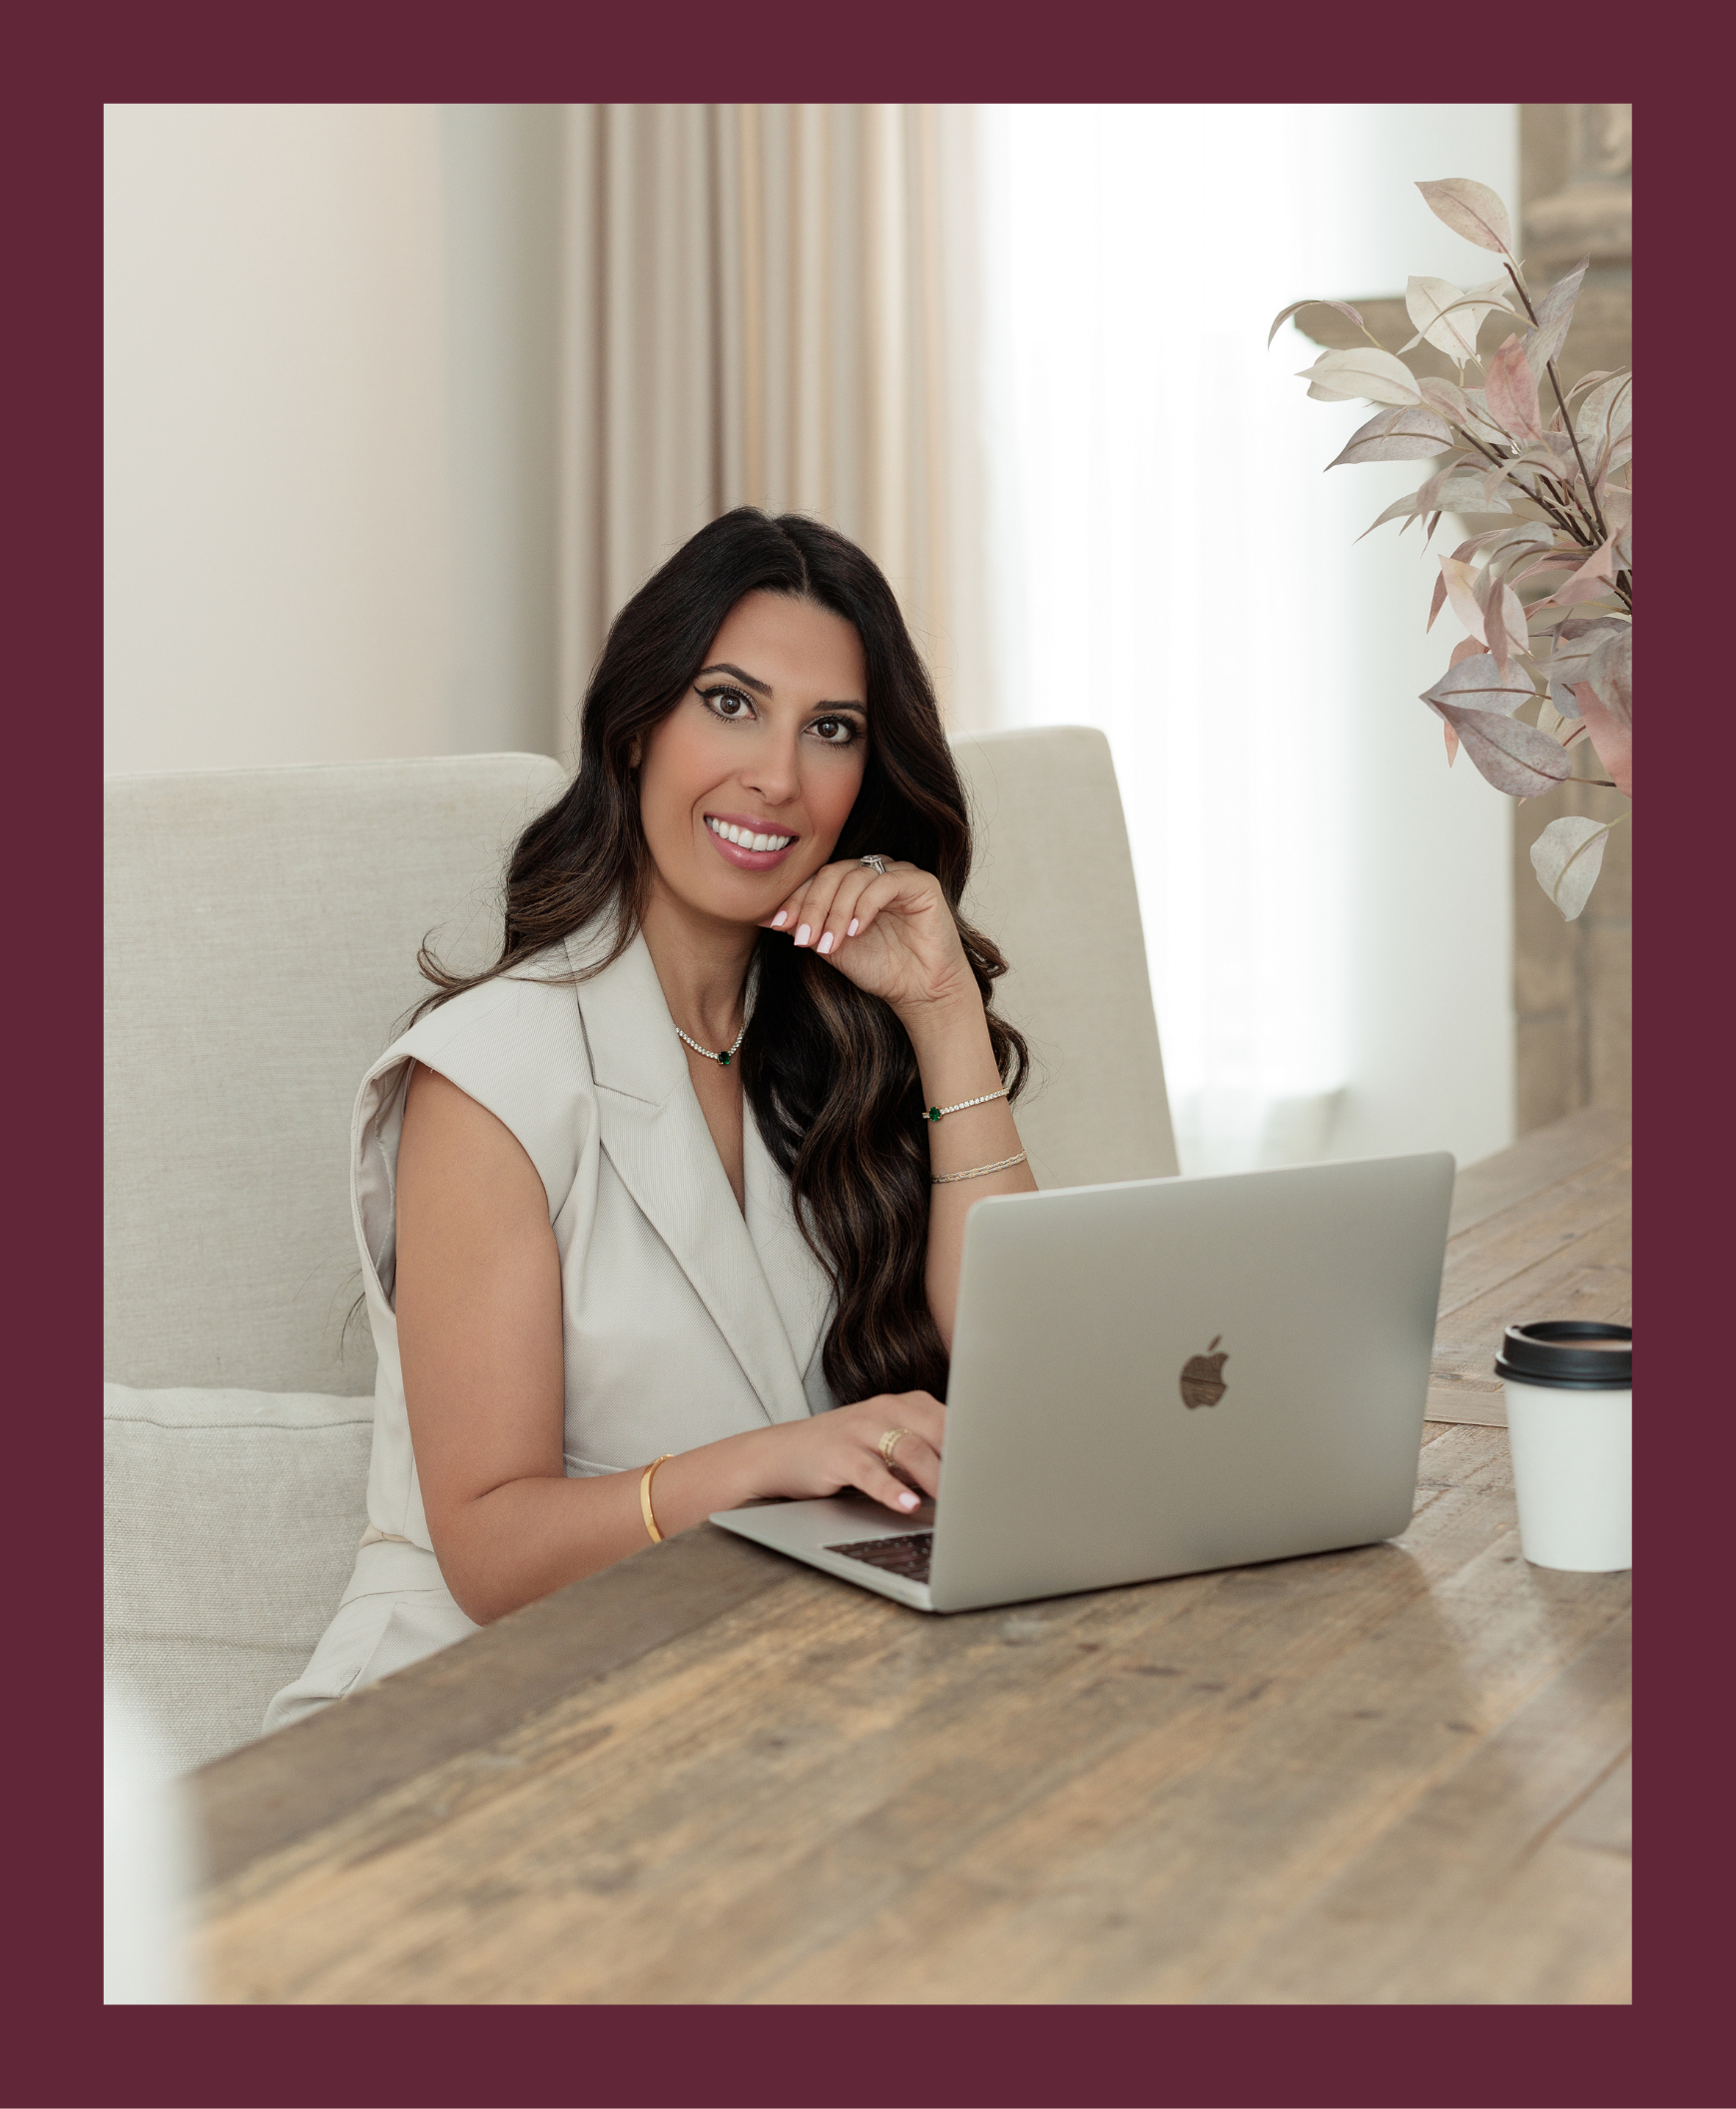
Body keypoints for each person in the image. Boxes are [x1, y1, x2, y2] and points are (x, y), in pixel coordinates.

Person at [265, 509, 1035, 1731]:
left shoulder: (837, 1049)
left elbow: (1024, 1379)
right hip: (453, 1713)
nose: (776, 775)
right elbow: (490, 1550)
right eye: (730, 704)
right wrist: (772, 1461)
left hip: (736, 1693)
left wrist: (941, 1013)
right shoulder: (489, 1072)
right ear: (635, 728)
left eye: (830, 729)